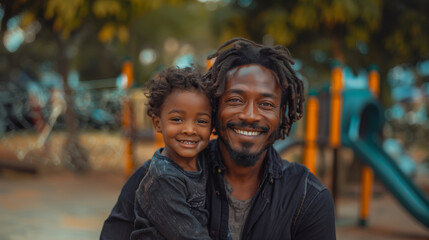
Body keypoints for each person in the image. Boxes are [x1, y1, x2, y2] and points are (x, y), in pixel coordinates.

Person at [100, 37, 336, 240]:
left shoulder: (308, 199)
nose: (249, 115)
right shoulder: (154, 178)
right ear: (214, 107)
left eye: (266, 104)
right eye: (235, 99)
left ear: (282, 113)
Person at [130, 66, 213, 239]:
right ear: (158, 123)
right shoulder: (163, 180)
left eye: (201, 121)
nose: (190, 130)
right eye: (177, 119)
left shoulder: (205, 163)